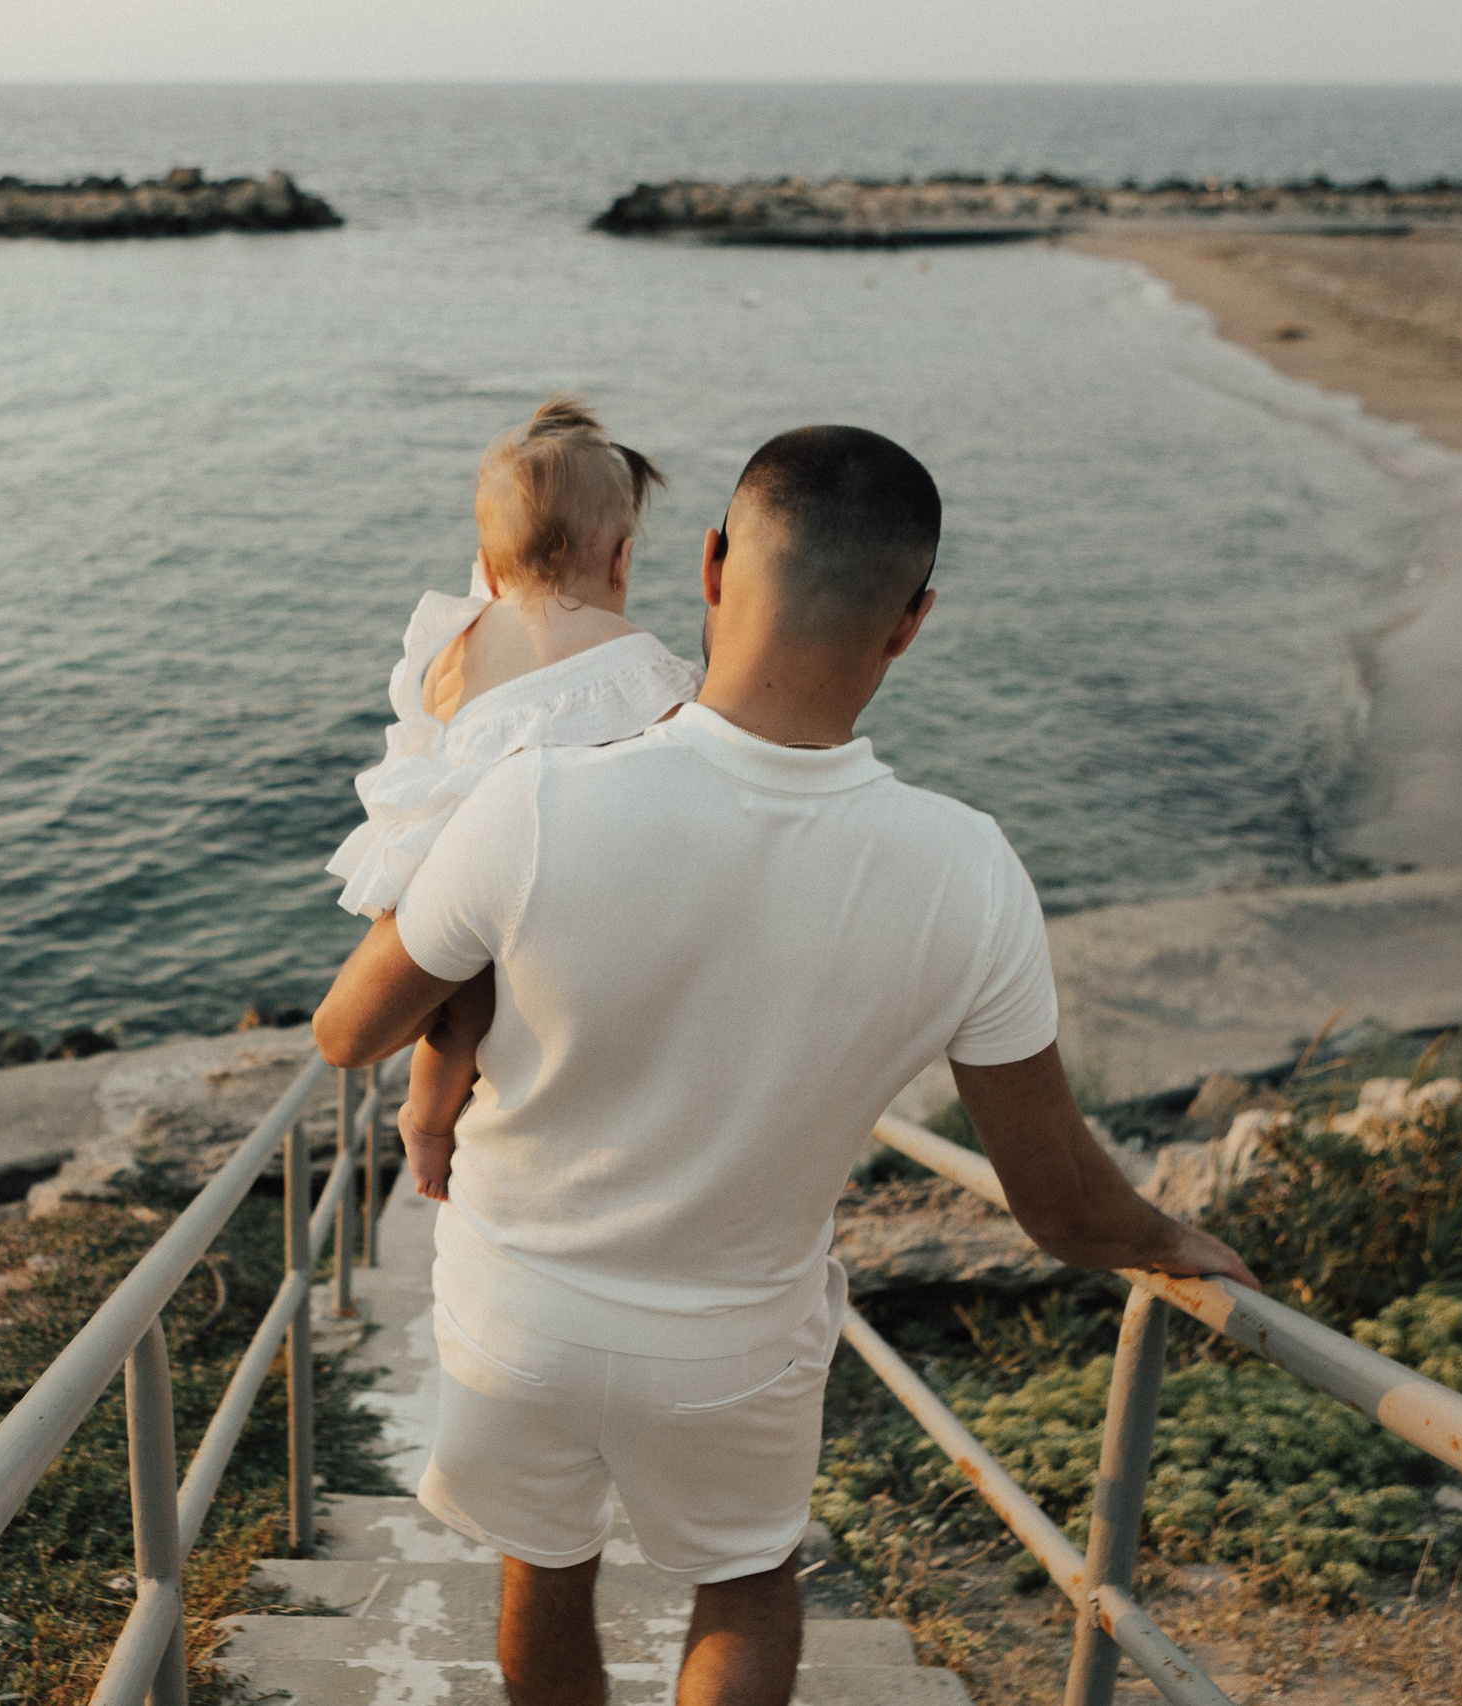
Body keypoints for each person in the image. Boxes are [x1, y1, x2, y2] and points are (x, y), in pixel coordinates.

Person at [314, 425, 1257, 1706]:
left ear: (708, 563)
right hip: (733, 1341)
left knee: (543, 1563)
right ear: (912, 620)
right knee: (747, 1589)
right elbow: (1058, 1204)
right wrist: (1174, 1238)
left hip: (517, 1308)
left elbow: (346, 1032)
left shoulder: (534, 801)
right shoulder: (967, 869)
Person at [325, 396, 700, 1201]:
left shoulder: (455, 641)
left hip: (450, 862)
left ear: (487, 567)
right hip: (564, 883)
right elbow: (688, 750)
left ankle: (426, 1128)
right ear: (623, 561)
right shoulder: (641, 663)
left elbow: (428, 729)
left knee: (460, 1017)